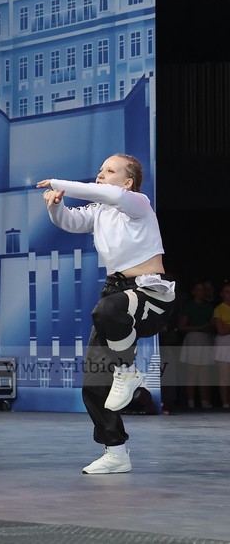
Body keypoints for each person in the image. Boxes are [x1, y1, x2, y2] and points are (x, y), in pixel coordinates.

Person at [37, 153, 176, 474]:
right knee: (94, 382)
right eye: (100, 169)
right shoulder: (99, 211)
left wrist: (58, 183)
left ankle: (127, 370)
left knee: (108, 309)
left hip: (150, 292)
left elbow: (106, 194)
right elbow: (70, 221)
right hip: (114, 293)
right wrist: (56, 205)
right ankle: (116, 452)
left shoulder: (138, 203)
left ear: (128, 182)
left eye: (110, 170)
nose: (101, 174)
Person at [178, 279, 214, 409]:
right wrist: (200, 327)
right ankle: (190, 403)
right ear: (193, 292)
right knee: (192, 372)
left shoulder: (209, 307)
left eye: (203, 290)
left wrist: (208, 328)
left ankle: (205, 402)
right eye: (199, 290)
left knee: (204, 373)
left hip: (205, 339)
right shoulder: (189, 307)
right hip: (193, 339)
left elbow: (212, 325)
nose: (201, 292)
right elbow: (182, 326)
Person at [212, 282, 230, 410]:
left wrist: (227, 326)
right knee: (224, 375)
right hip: (224, 344)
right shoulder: (219, 309)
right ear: (222, 294)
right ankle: (225, 404)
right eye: (227, 292)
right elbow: (221, 330)